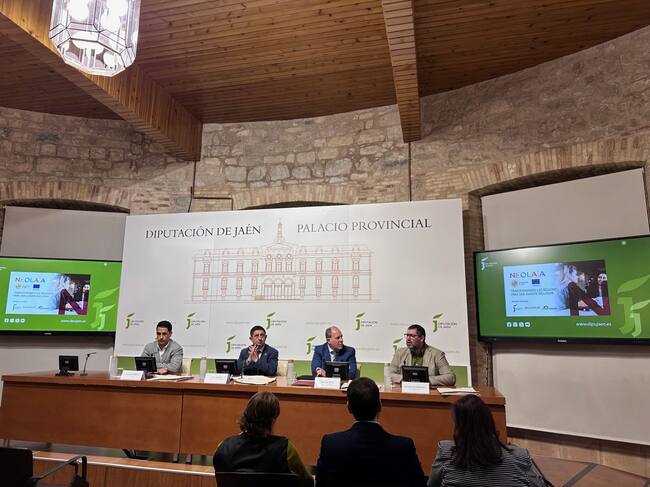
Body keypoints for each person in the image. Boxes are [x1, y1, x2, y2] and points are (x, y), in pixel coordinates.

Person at [316, 377, 426, 487]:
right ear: (380, 406)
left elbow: (320, 483)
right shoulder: (404, 448)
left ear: (349, 408)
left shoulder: (331, 444)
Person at [428, 395, 547, 487]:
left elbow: (432, 484)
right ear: (489, 422)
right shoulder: (520, 456)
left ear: (458, 427)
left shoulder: (446, 452)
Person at [213, 391, 312, 483]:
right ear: (273, 421)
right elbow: (307, 482)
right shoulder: (286, 449)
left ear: (246, 415)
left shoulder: (223, 448)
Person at [389, 324, 455, 386]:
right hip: (405, 391)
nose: (408, 339)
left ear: (421, 338)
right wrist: (406, 378)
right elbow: (389, 374)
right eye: (407, 335)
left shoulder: (437, 354)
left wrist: (425, 379)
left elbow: (451, 378)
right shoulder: (400, 353)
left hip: (428, 393)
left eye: (412, 336)